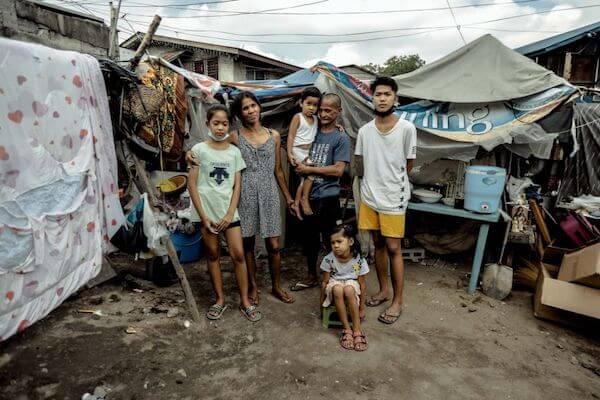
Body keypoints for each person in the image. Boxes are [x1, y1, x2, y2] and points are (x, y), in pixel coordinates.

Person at [187, 104, 261, 322]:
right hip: (206, 213)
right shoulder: (198, 150)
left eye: (224, 124)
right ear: (208, 124)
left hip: (229, 213)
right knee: (212, 255)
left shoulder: (234, 152)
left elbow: (237, 186)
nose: (220, 128)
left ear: (230, 125)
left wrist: (230, 214)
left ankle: (245, 301)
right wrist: (204, 217)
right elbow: (192, 186)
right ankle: (219, 300)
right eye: (216, 123)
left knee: (238, 255)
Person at [354, 76, 417, 325]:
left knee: (393, 248)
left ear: (395, 98)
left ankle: (398, 301)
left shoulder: (406, 129)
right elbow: (360, 163)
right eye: (378, 94)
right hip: (370, 196)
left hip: (394, 197)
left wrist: (391, 182)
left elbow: (408, 164)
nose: (382, 98)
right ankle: (382, 291)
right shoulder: (364, 131)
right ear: (372, 98)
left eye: (387, 94)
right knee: (378, 245)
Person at [229, 91, 296, 305]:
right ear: (240, 114)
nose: (251, 111)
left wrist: (288, 198)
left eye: (253, 106)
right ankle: (253, 287)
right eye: (245, 108)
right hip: (245, 193)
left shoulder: (273, 135)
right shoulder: (234, 137)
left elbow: (278, 170)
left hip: (269, 192)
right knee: (247, 244)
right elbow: (219, 153)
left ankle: (276, 286)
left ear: (259, 107)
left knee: (274, 245)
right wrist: (191, 154)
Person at [291, 93, 351, 292]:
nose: (323, 114)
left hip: (328, 197)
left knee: (332, 240)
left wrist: (310, 170)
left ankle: (335, 277)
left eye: (328, 110)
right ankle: (311, 276)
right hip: (309, 196)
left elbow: (338, 170)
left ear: (338, 112)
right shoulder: (311, 130)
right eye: (321, 110)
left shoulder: (341, 137)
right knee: (309, 241)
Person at [320, 225, 369, 351]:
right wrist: (321, 303)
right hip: (334, 283)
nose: (335, 246)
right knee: (337, 288)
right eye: (333, 243)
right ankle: (347, 329)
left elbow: (362, 284)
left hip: (351, 284)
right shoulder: (329, 259)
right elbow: (325, 282)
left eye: (339, 241)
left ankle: (357, 330)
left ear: (351, 242)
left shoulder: (358, 261)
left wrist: (362, 308)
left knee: (348, 289)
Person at [286, 86, 321, 219]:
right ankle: (304, 199)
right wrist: (289, 153)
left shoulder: (316, 119)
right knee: (312, 171)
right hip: (298, 150)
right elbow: (291, 136)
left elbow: (326, 125)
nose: (311, 108)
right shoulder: (298, 117)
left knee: (304, 180)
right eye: (308, 104)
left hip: (308, 152)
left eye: (315, 105)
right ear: (301, 103)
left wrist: (337, 126)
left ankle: (296, 202)